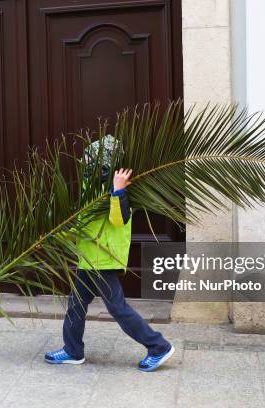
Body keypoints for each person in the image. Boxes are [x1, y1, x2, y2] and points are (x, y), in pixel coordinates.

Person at [44, 136, 175, 372]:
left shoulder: (119, 191)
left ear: (102, 163)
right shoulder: (91, 187)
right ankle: (73, 350)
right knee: (76, 305)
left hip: (103, 259)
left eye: (89, 159)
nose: (84, 162)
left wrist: (118, 190)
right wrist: (53, 238)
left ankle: (158, 346)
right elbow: (82, 225)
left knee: (117, 308)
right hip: (89, 258)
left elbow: (119, 219)